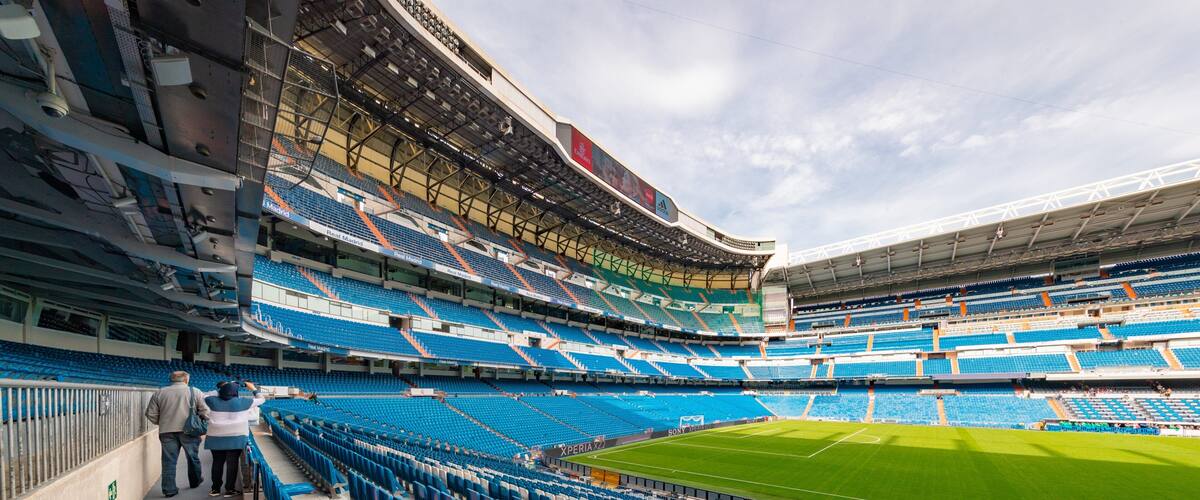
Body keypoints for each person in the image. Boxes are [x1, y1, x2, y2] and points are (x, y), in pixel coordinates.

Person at [145, 371, 210, 498]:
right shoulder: (195, 391)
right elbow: (206, 412)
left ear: (172, 379)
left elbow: (150, 414)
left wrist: (163, 422)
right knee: (192, 458)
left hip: (166, 431)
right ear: (186, 380)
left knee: (168, 461)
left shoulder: (160, 392)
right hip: (190, 431)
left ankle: (169, 490)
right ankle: (195, 481)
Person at [203, 381, 265, 497]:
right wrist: (253, 389)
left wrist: (222, 390)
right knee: (232, 463)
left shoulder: (211, 401)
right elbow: (262, 399)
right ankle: (229, 490)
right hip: (236, 438)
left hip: (215, 438)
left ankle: (215, 489)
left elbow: (204, 394)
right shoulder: (243, 402)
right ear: (235, 392)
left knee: (217, 462)